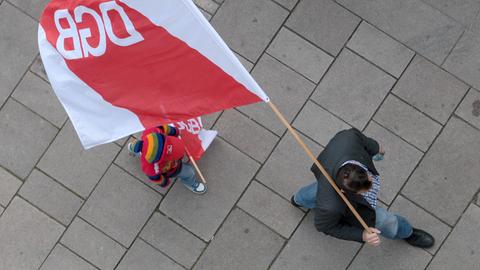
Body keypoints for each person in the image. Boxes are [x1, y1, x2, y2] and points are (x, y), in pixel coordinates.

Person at [291, 128, 434, 248]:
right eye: (364, 191)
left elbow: (363, 141)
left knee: (318, 190)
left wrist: (376, 148)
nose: (371, 187)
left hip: (327, 173)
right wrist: (362, 235)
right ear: (343, 191)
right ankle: (406, 232)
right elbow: (325, 227)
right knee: (384, 220)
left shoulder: (349, 138)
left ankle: (298, 199)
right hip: (337, 197)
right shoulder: (331, 207)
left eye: (368, 178)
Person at [128, 125, 206, 194]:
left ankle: (133, 148)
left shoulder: (153, 130)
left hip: (174, 156)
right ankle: (191, 183)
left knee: (140, 149)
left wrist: (176, 131)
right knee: (189, 172)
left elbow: (164, 128)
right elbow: (156, 178)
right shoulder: (151, 167)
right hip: (173, 168)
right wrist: (165, 182)